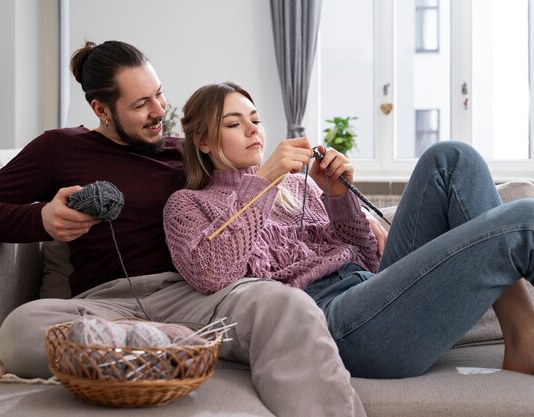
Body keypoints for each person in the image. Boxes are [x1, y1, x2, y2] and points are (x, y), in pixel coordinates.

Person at [0, 41, 367, 417]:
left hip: (195, 295)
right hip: (106, 305)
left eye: (159, 94)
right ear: (101, 109)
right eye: (140, 105)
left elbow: (252, 194)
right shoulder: (58, 149)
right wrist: (41, 218)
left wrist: (342, 206)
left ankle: (171, 340)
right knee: (19, 333)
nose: (159, 111)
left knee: (284, 304)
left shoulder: (186, 151)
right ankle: (172, 341)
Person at [163, 81, 534, 380]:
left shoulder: (299, 186)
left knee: (452, 158)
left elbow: (368, 265)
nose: (252, 130)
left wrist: (338, 198)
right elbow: (213, 272)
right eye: (233, 124)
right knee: (525, 220)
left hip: (371, 296)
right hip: (336, 326)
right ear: (203, 142)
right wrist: (264, 182)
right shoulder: (186, 205)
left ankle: (522, 333)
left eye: (256, 120)